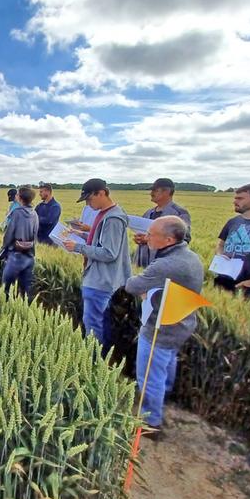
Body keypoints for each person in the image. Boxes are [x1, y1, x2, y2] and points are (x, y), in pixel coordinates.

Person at [124, 216, 204, 436]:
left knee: (149, 375)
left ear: (168, 239)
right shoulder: (191, 257)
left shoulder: (167, 264)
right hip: (182, 324)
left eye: (152, 235)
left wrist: (145, 288)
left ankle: (152, 422)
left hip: (161, 327)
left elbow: (132, 285)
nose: (147, 237)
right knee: (167, 363)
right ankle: (163, 396)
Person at [64, 178, 131, 350]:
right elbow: (100, 242)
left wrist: (78, 247)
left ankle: (94, 361)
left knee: (94, 325)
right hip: (99, 278)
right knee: (97, 323)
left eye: (89, 199)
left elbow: (109, 252)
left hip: (101, 280)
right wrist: (79, 234)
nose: (87, 203)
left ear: (101, 193)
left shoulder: (113, 218)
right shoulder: (106, 214)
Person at [133, 178, 192, 268]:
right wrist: (139, 238)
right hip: (143, 264)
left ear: (167, 192)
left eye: (155, 190)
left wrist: (149, 239)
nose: (151, 193)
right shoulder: (148, 213)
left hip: (165, 265)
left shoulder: (179, 213)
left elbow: (184, 239)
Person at [0, 186, 39, 301]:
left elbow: (10, 233)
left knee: (5, 289)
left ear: (20, 198)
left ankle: (5, 312)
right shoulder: (34, 213)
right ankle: (26, 314)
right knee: (26, 291)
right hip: (30, 255)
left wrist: (4, 248)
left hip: (16, 255)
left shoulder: (17, 213)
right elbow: (36, 234)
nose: (15, 196)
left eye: (17, 194)